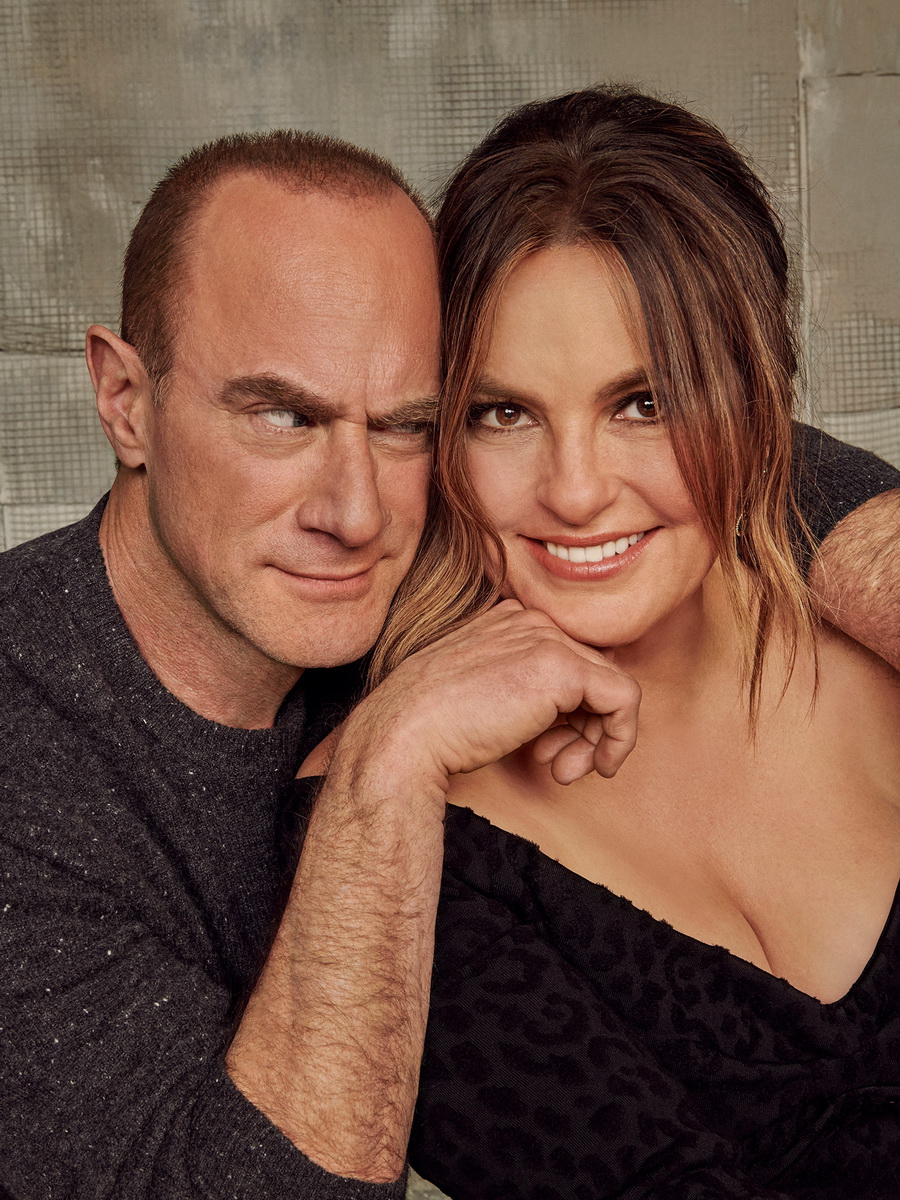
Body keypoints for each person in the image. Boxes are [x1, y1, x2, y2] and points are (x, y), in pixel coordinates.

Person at [0, 121, 896, 1200]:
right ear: (124, 401)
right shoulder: (35, 755)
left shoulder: (439, 544)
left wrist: (862, 552)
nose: (354, 513)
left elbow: (695, 434)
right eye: (282, 416)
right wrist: (386, 764)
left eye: (407, 425)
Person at [303, 87, 900, 1198]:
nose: (575, 493)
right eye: (504, 413)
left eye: (645, 403)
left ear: (759, 397)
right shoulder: (394, 833)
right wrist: (390, 762)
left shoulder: (881, 637)